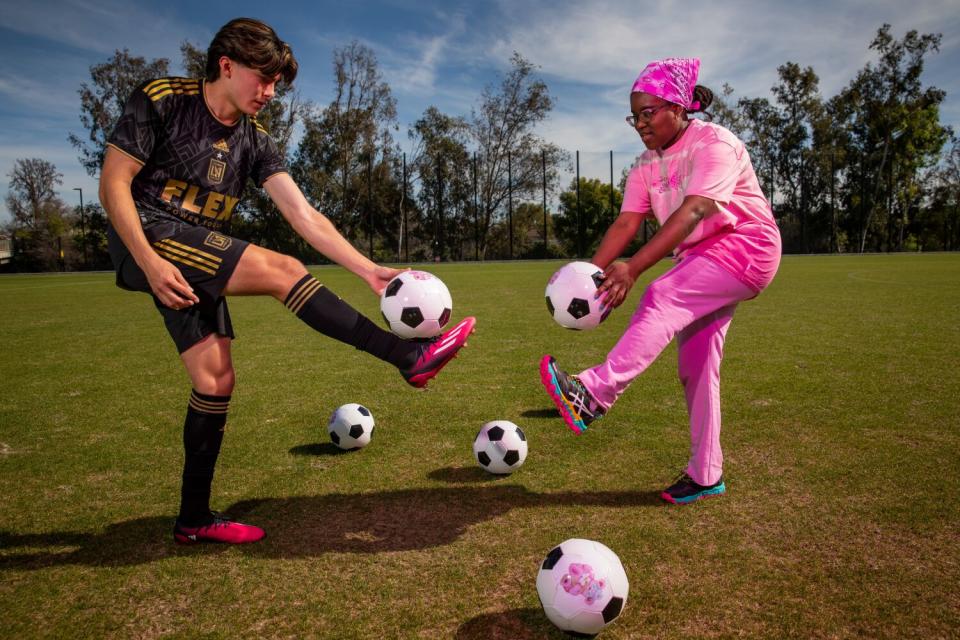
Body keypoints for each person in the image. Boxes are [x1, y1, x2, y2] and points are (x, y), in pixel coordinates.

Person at [100, 18, 476, 545]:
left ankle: (193, 519)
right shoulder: (163, 99)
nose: (271, 92)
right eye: (265, 78)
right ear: (226, 65)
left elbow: (304, 214)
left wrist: (367, 269)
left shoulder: (255, 141)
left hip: (195, 253)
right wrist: (147, 259)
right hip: (146, 236)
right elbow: (112, 182)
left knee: (215, 380)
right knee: (285, 271)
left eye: (278, 82)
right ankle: (408, 357)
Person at [540, 57, 781, 505]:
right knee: (697, 367)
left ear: (679, 107)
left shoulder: (715, 144)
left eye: (649, 113)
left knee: (661, 293)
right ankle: (707, 474)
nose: (640, 124)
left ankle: (592, 395)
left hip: (746, 247)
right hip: (701, 257)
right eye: (635, 115)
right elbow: (626, 224)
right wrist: (587, 280)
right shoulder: (645, 165)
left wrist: (632, 268)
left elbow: (695, 211)